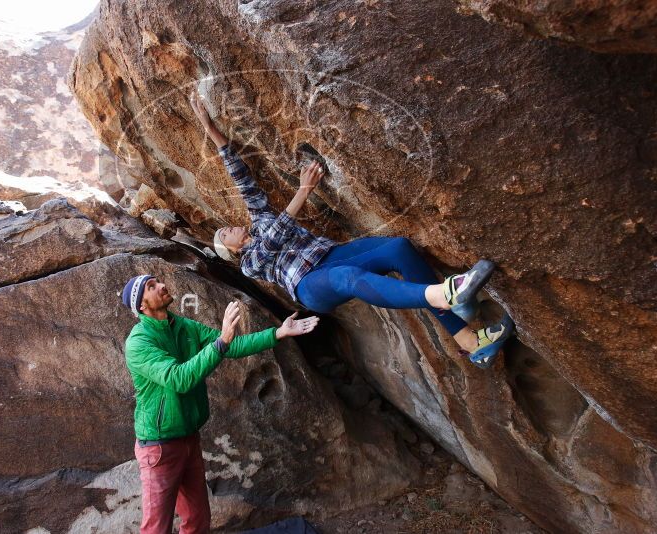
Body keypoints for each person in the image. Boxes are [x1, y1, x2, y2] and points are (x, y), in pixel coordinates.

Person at [189, 91, 513, 369]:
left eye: (225, 228)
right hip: (310, 284)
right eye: (223, 234)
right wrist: (304, 190)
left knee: (398, 248)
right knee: (349, 278)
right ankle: (445, 294)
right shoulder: (249, 263)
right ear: (230, 249)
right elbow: (274, 239)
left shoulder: (258, 218)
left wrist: (211, 130)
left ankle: (470, 340)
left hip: (330, 254)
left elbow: (242, 179)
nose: (227, 228)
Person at [121, 273, 319, 534]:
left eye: (158, 281)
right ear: (142, 305)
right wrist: (221, 341)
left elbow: (232, 345)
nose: (162, 285)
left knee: (197, 521)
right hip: (159, 447)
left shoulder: (182, 326)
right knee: (156, 528)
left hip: (188, 439)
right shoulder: (139, 343)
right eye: (151, 286)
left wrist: (278, 333)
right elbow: (179, 378)